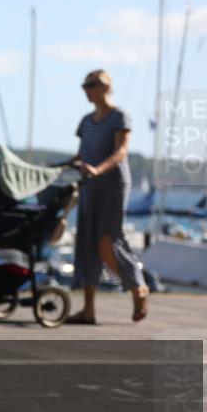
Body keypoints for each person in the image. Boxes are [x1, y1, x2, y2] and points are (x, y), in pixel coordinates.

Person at [67, 69, 149, 324]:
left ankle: (138, 287)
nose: (88, 89)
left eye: (93, 84)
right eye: (85, 85)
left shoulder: (119, 116)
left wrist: (98, 169)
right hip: (90, 184)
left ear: (106, 87)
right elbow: (81, 155)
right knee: (87, 241)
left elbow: (121, 152)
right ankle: (88, 309)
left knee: (109, 239)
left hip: (113, 183)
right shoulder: (85, 121)